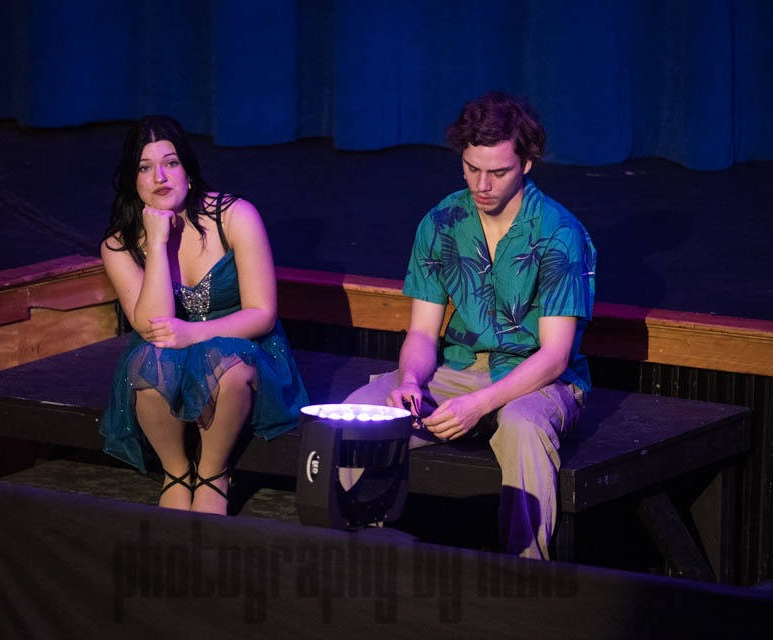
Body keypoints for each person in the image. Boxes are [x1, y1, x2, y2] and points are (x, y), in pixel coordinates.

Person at [343, 93, 596, 559]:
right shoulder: (441, 222)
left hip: (536, 379)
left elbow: (554, 356)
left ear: (526, 164)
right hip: (459, 370)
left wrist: (478, 405)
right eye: (471, 168)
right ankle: (362, 560)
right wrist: (410, 380)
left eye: (497, 172)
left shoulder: (558, 233)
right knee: (359, 415)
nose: (482, 184)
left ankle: (523, 578)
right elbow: (423, 333)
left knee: (521, 425)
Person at [99, 115, 308, 515]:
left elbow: (262, 314)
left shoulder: (235, 215)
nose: (160, 177)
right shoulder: (118, 244)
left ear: (188, 171)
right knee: (150, 366)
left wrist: (193, 334)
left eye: (171, 163)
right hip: (169, 348)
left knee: (227, 365)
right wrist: (157, 244)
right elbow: (152, 327)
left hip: (245, 343)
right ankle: (176, 471)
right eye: (145, 168)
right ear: (132, 180)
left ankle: (213, 472)